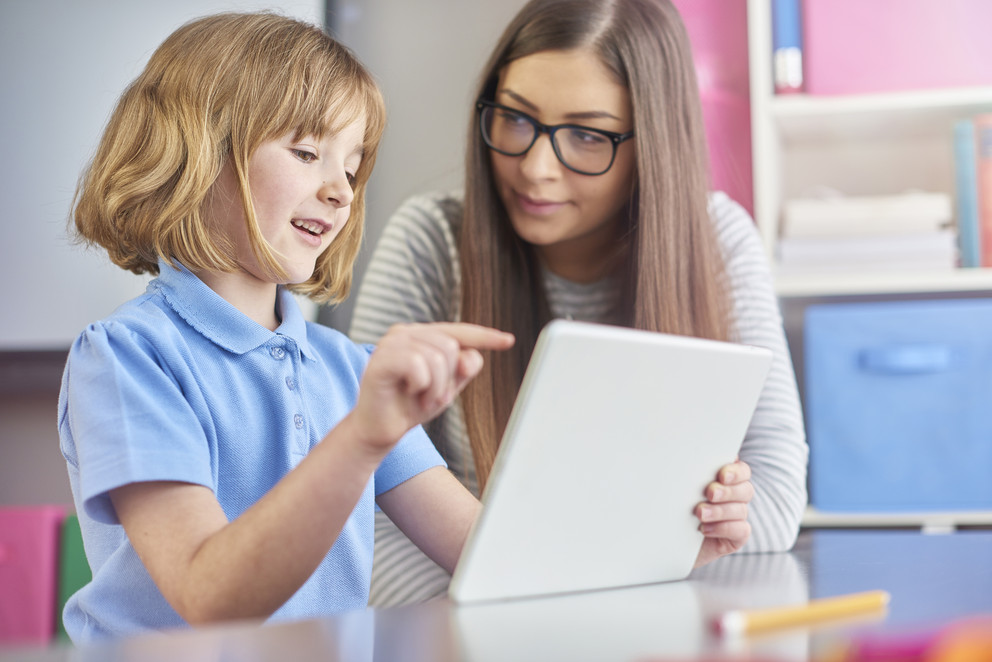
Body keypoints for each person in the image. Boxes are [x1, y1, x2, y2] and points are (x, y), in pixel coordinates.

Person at [57, 12, 513, 643]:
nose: (342, 192)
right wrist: (360, 440)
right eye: (306, 153)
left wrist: (684, 538)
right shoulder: (128, 356)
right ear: (198, 152)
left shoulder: (348, 369)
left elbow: (495, 561)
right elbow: (207, 593)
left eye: (351, 169)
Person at [349, 0, 808, 607]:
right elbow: (358, 491)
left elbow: (774, 500)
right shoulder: (430, 240)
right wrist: (482, 626)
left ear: (654, 143)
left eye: (588, 135)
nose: (535, 168)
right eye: (515, 118)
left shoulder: (718, 239)